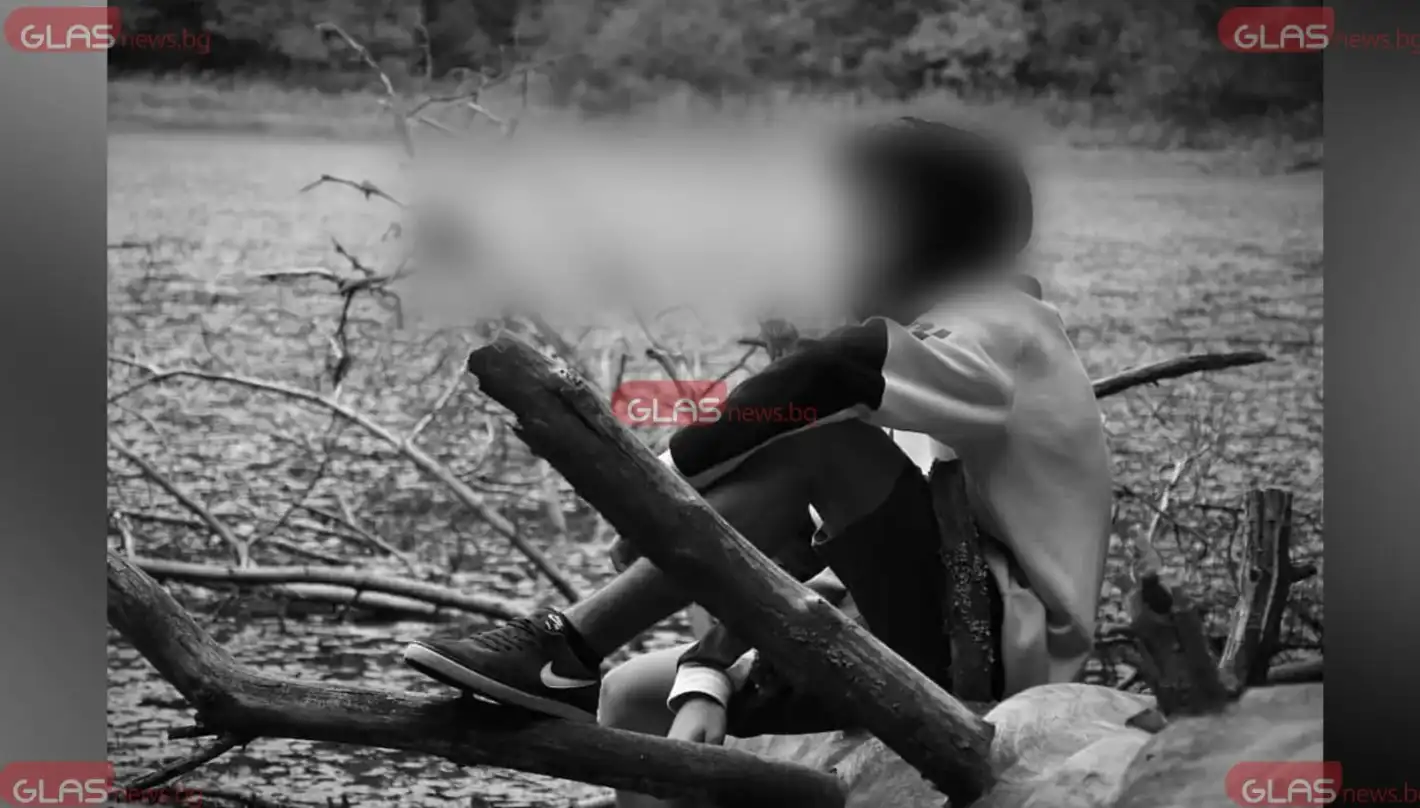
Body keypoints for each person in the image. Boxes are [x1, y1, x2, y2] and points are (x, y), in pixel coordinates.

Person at [400, 120, 1113, 770]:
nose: (845, 248)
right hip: (900, 630)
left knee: (824, 443)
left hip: (994, 659)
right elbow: (811, 547)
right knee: (636, 693)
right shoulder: (939, 357)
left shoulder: (1005, 325)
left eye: (867, 226)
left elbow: (837, 369)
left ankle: (571, 640)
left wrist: (663, 485)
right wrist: (708, 670)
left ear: (929, 238)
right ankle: (569, 667)